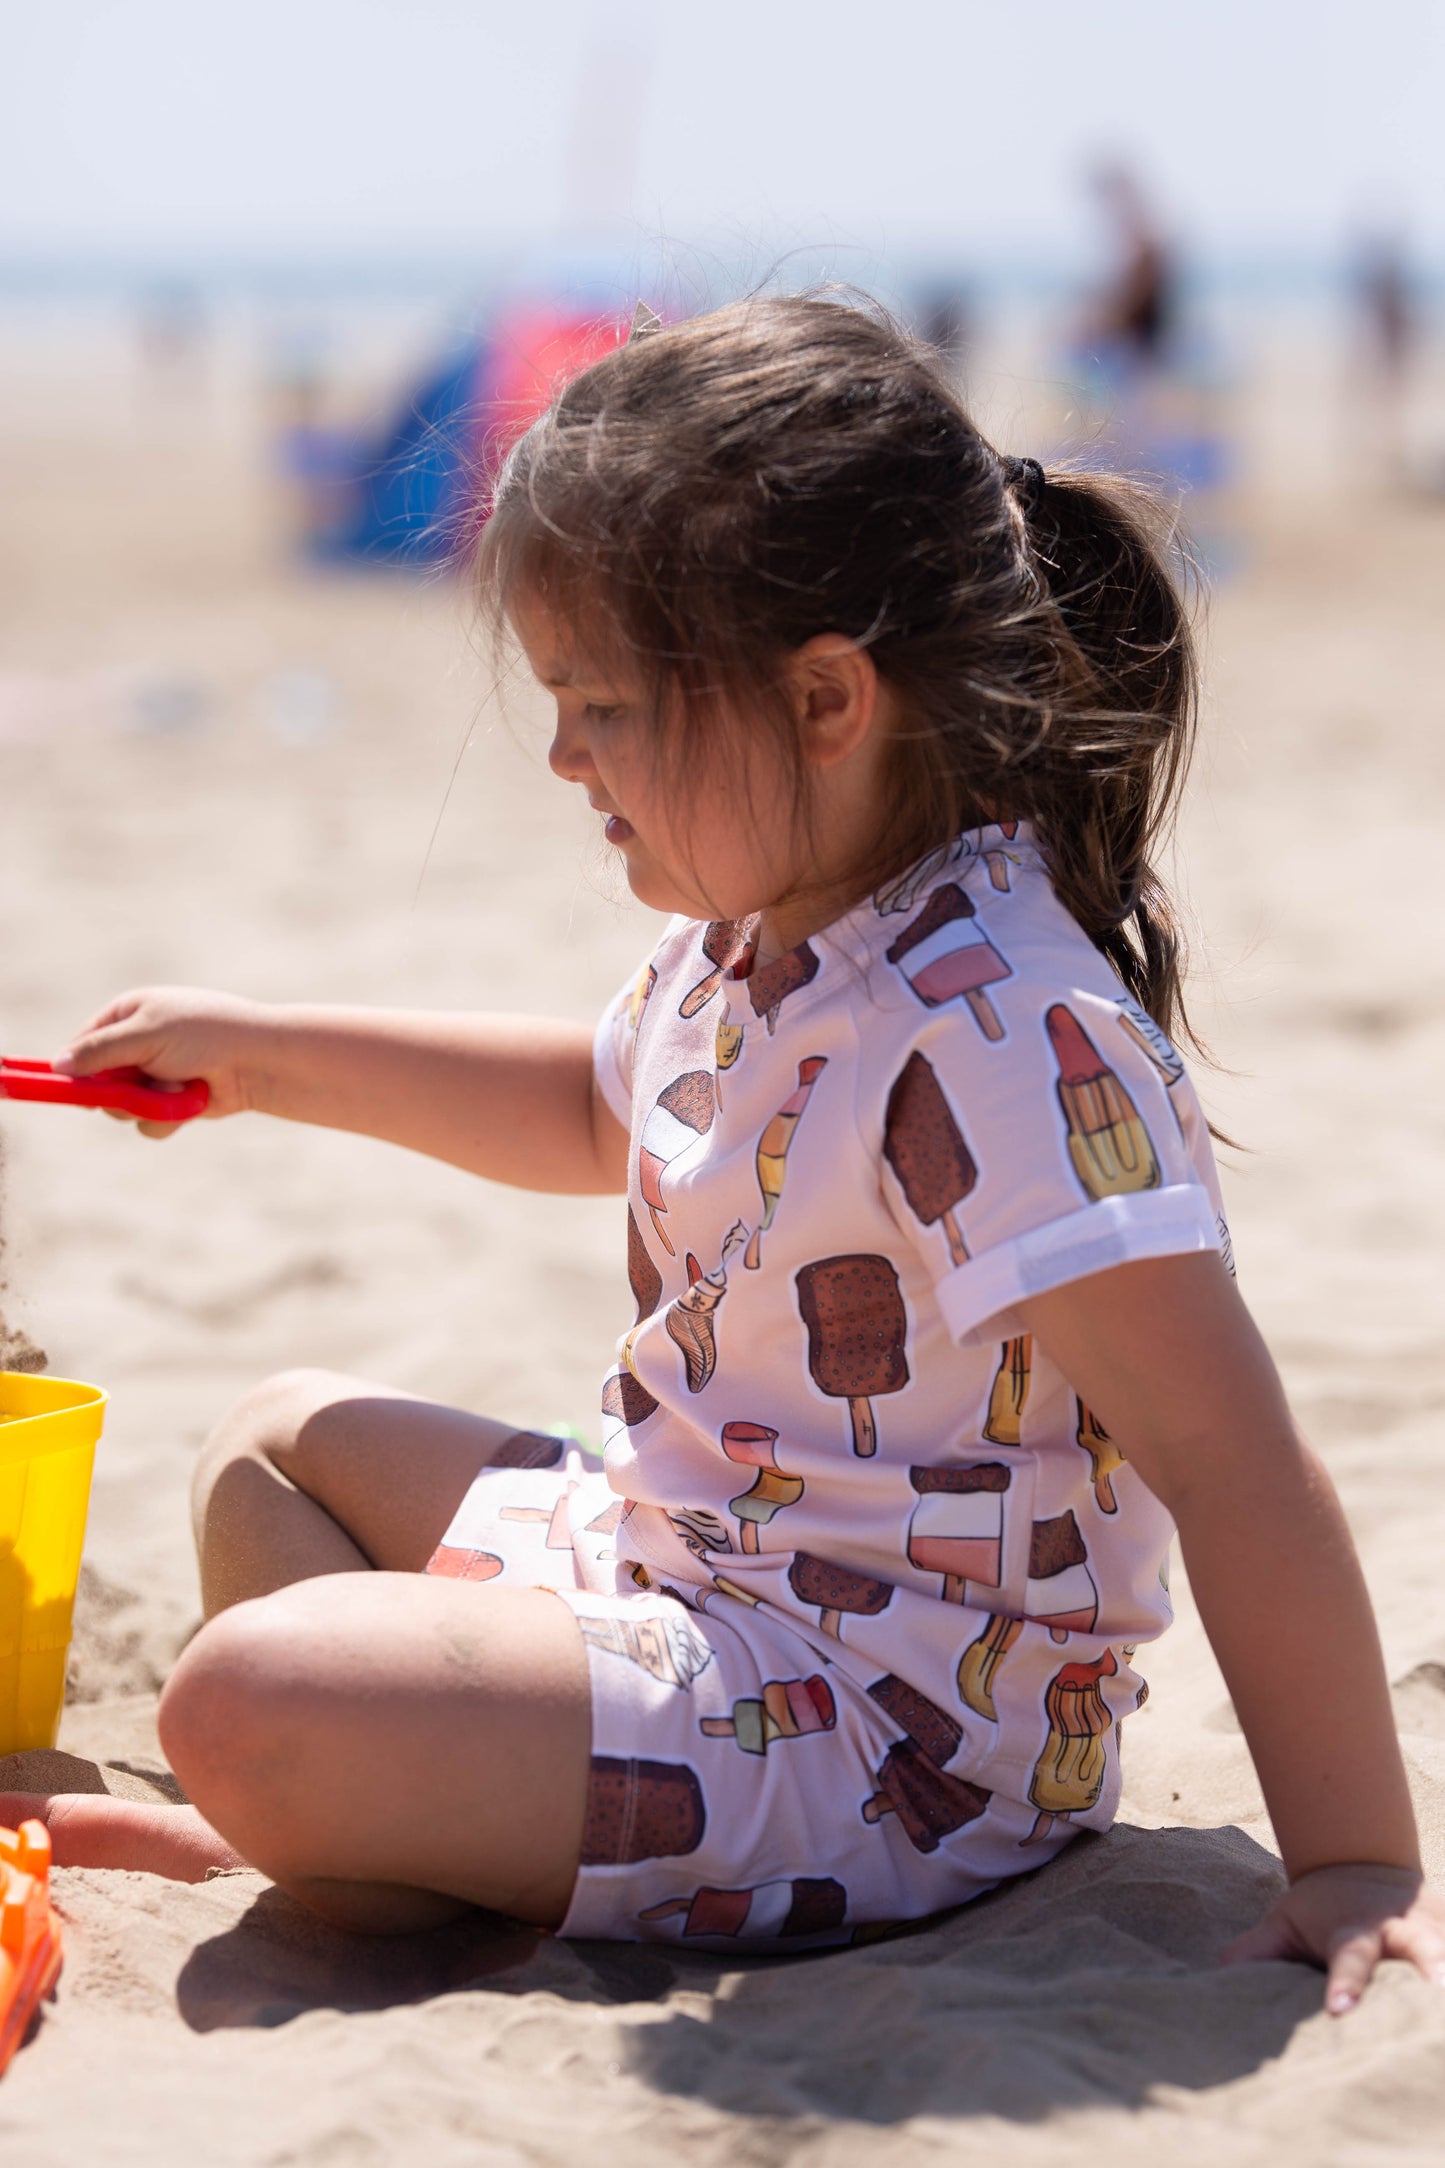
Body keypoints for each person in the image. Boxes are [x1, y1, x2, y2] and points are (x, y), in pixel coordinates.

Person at [8, 299, 1442, 2011]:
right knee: (270, 1453)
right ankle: (394, 1850)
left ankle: (355, 1839)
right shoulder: (757, 929)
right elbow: (592, 1112)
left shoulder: (995, 1033)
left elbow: (1232, 1458)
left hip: (882, 1729)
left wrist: (1355, 1857)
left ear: (825, 697)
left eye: (602, 706)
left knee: (242, 1701)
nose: (560, 757)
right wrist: (266, 1053)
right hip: (686, 1563)